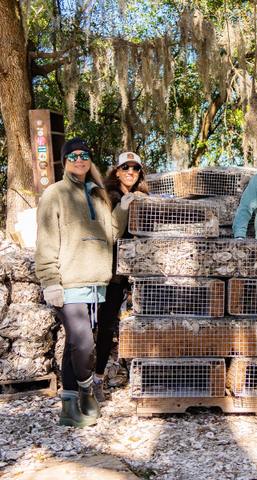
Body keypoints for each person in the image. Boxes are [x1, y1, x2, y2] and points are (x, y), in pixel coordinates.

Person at [35, 138, 134, 428]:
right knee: (84, 343)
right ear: (64, 161)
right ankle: (87, 391)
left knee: (72, 347)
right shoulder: (55, 193)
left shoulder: (98, 193)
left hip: (95, 285)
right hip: (67, 283)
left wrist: (123, 207)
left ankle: (68, 408)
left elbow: (112, 232)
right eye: (73, 156)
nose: (79, 160)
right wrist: (50, 281)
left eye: (84, 155)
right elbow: (46, 241)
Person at [93, 152, 149, 402]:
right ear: (116, 171)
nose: (130, 172)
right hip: (109, 274)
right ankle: (95, 381)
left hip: (131, 274)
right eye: (125, 167)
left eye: (135, 169)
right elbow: (109, 233)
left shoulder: (140, 196)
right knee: (102, 327)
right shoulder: (108, 196)